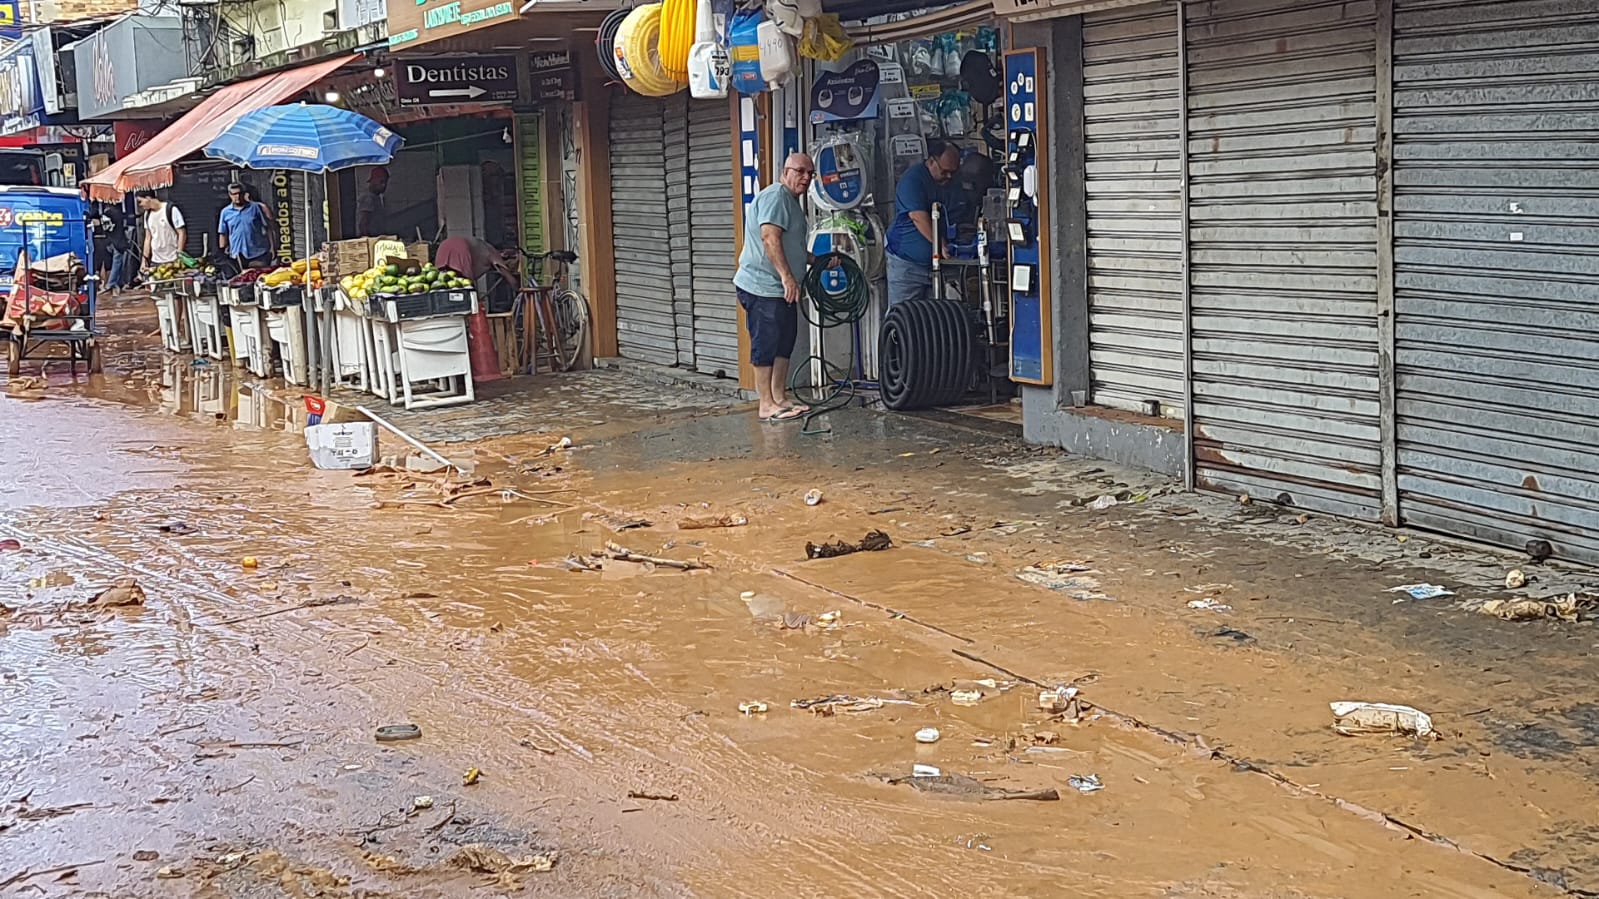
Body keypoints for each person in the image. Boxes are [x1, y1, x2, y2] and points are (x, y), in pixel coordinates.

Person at [732, 152, 815, 422]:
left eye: (810, 173)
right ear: (785, 171)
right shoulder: (776, 196)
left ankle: (779, 397)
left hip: (783, 288)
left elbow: (790, 246)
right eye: (800, 171)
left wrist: (816, 260)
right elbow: (769, 238)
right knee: (766, 342)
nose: (806, 178)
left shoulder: (791, 202)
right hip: (763, 286)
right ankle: (766, 403)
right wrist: (786, 277)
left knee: (784, 341)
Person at [884, 140, 960, 305]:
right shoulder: (912, 180)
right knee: (903, 315)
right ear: (932, 161)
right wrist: (939, 244)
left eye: (953, 172)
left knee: (942, 315)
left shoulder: (952, 183)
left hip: (942, 267)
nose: (949, 176)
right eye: (945, 171)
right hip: (907, 266)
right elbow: (918, 217)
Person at [218, 181, 274, 269]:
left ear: (244, 194)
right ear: (230, 195)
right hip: (237, 255)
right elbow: (223, 233)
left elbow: (268, 228)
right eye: (234, 194)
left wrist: (273, 248)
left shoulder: (255, 208)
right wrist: (222, 252)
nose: (237, 197)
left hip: (258, 253)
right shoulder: (225, 212)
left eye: (239, 193)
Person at [434, 234, 517, 285]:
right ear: (503, 253)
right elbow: (509, 277)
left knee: (442, 282)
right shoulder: (493, 252)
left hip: (443, 247)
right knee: (467, 287)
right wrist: (518, 289)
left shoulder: (482, 247)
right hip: (460, 249)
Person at [136, 190, 186, 270]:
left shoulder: (170, 209)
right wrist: (144, 261)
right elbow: (148, 238)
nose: (140, 205)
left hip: (172, 259)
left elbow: (182, 233)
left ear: (148, 198)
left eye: (140, 201)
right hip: (155, 260)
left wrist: (179, 255)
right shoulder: (147, 215)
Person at [356, 166, 388, 237]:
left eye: (385, 182)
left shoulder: (377, 198)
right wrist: (367, 239)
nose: (384, 185)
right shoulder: (368, 198)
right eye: (381, 182)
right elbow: (363, 223)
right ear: (373, 181)